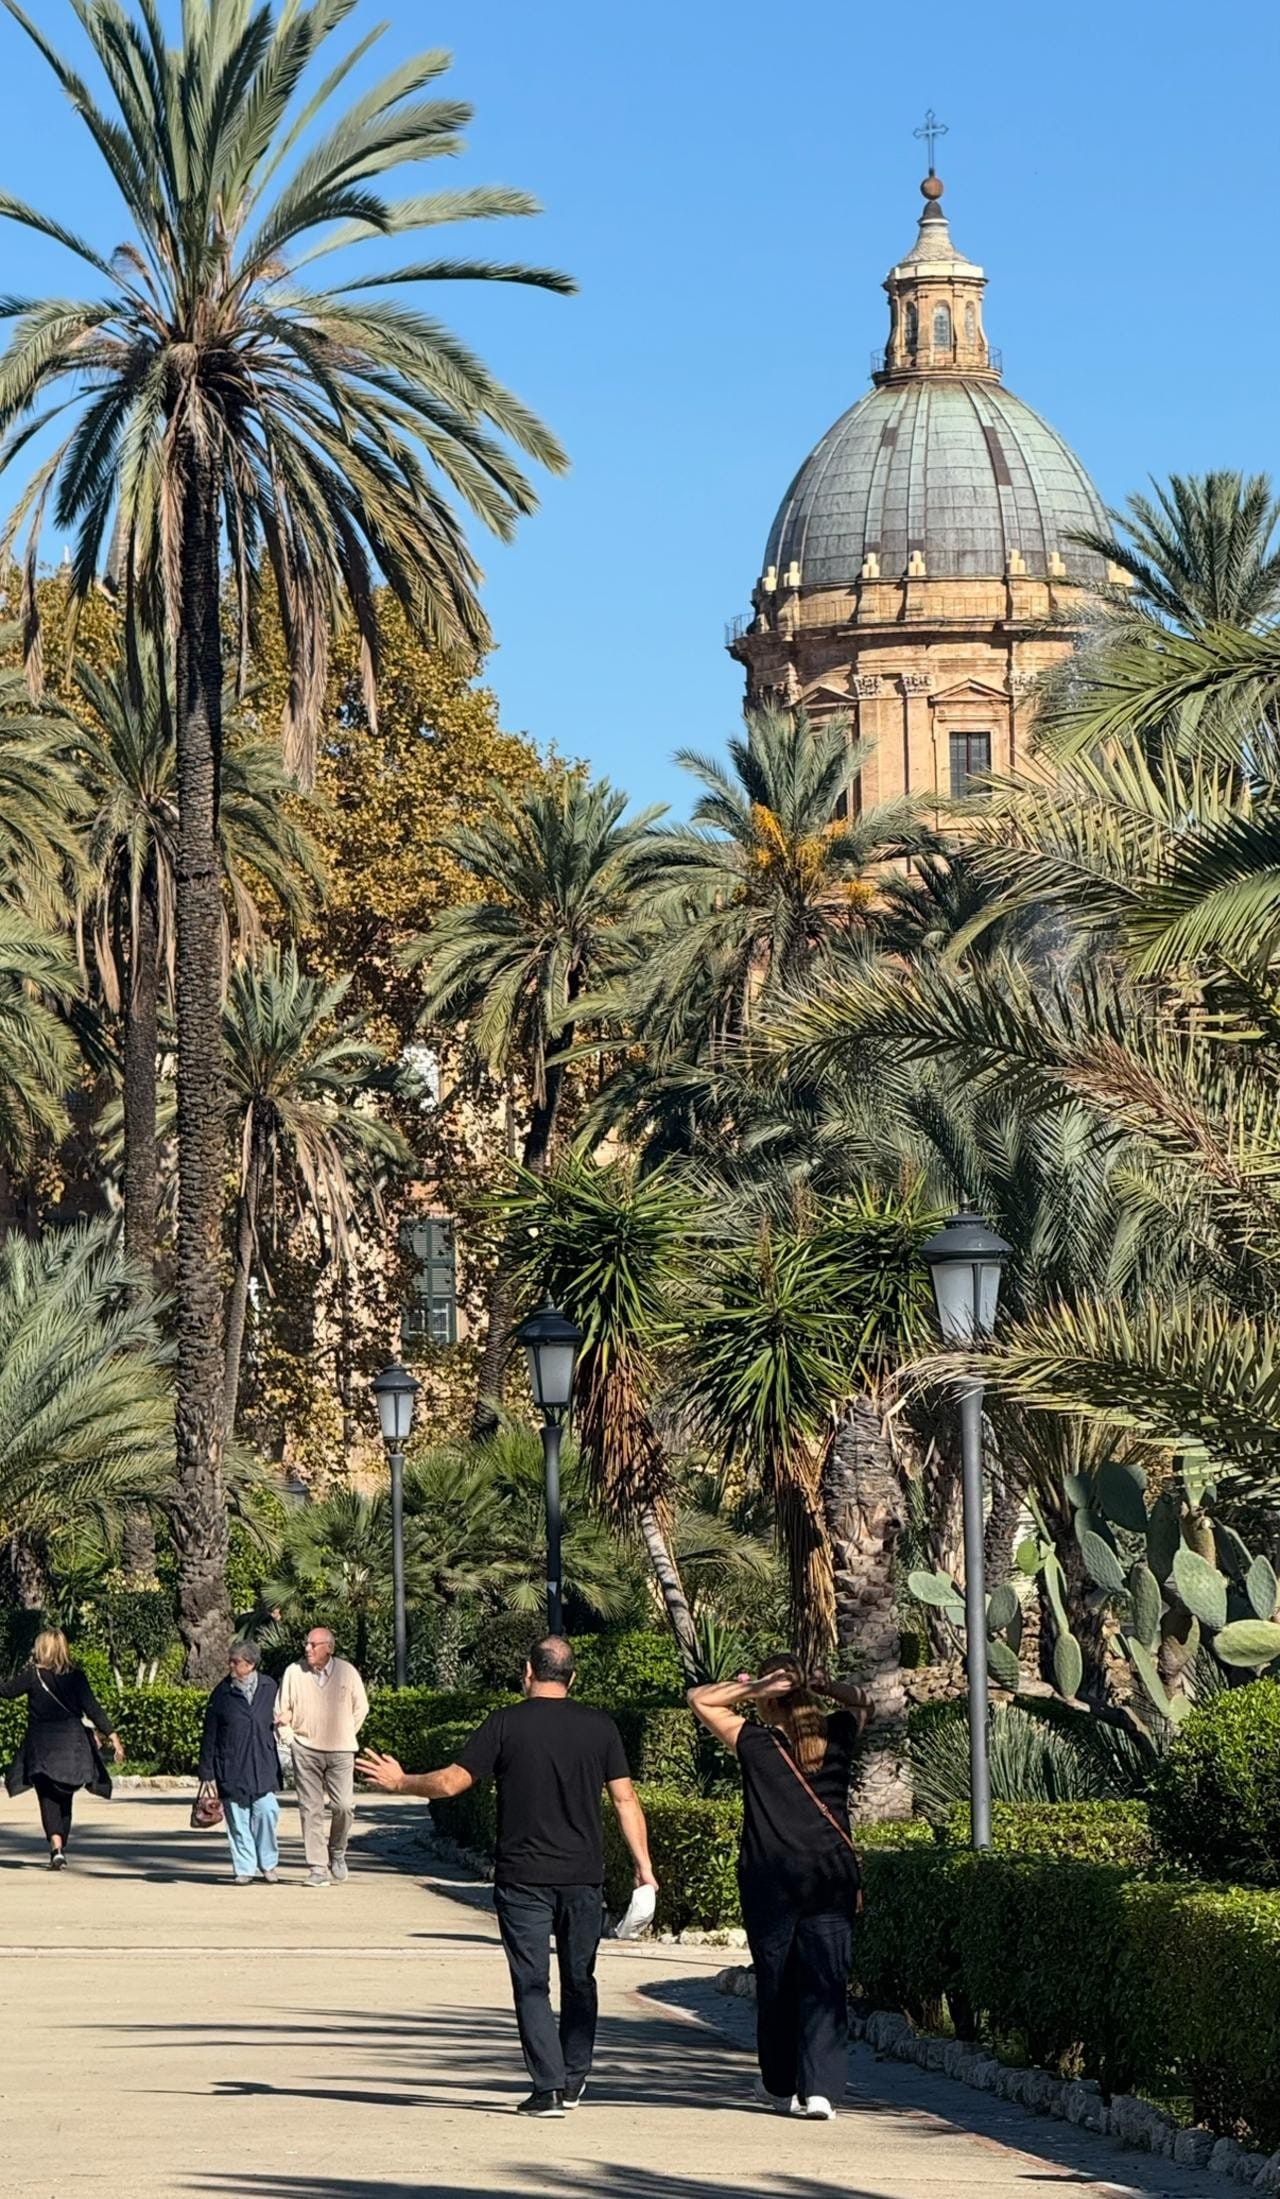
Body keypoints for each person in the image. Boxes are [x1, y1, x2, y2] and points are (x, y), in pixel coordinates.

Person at [359, 1634, 657, 2120]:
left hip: (523, 1878)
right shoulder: (600, 1727)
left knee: (531, 1982)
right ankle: (573, 2078)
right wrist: (643, 1866)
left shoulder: (504, 1724)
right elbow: (626, 1800)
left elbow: (452, 1782)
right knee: (580, 1979)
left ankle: (548, 2088)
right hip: (584, 1877)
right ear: (573, 1677)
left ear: (528, 1672)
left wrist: (401, 1782)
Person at [689, 1655, 872, 2121]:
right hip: (831, 1876)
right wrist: (827, 1687)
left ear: (771, 1700)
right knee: (826, 1980)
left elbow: (699, 1699)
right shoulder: (838, 1733)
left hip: (770, 1881)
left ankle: (779, 2084)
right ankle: (821, 2092)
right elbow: (864, 1703)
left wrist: (756, 1687)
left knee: (776, 1982)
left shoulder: (756, 1742)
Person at [0, 1629, 125, 1868]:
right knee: (65, 1795)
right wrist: (113, 1737)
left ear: (42, 1649)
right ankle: (60, 1844)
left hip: (42, 1747)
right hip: (73, 1747)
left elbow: (6, 1691)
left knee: (47, 1795)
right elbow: (93, 1708)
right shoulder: (77, 1677)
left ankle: (56, 1848)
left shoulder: (32, 1675)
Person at [275, 1625, 368, 1887]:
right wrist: (290, 1740)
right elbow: (281, 1709)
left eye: (313, 1645)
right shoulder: (294, 1672)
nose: (308, 1649)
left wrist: (345, 1732)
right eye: (307, 1644)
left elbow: (361, 1707)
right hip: (306, 1749)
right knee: (310, 1809)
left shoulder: (347, 1672)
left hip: (341, 1751)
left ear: (329, 1648)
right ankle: (317, 1867)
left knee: (344, 1807)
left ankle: (337, 1850)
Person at [198, 1639, 282, 1885]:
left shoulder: (270, 1687)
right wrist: (206, 1771)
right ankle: (244, 1868)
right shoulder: (221, 1692)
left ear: (251, 1664)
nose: (231, 1666)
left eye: (236, 1662)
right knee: (237, 1819)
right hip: (231, 1765)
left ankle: (268, 1863)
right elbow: (210, 1734)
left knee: (268, 1811)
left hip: (263, 1762)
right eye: (230, 1661)